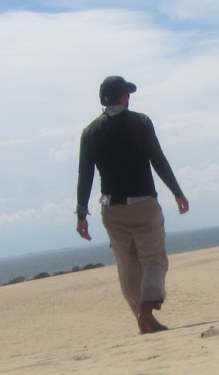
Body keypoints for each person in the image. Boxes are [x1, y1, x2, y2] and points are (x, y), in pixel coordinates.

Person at [75, 75, 190, 334]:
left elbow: (86, 175)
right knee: (153, 259)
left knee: (126, 265)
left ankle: (142, 318)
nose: (129, 97)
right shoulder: (140, 122)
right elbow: (157, 159)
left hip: (111, 209)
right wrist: (177, 192)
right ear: (122, 96)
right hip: (143, 205)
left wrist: (82, 213)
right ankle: (146, 312)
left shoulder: (90, 132)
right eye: (127, 93)